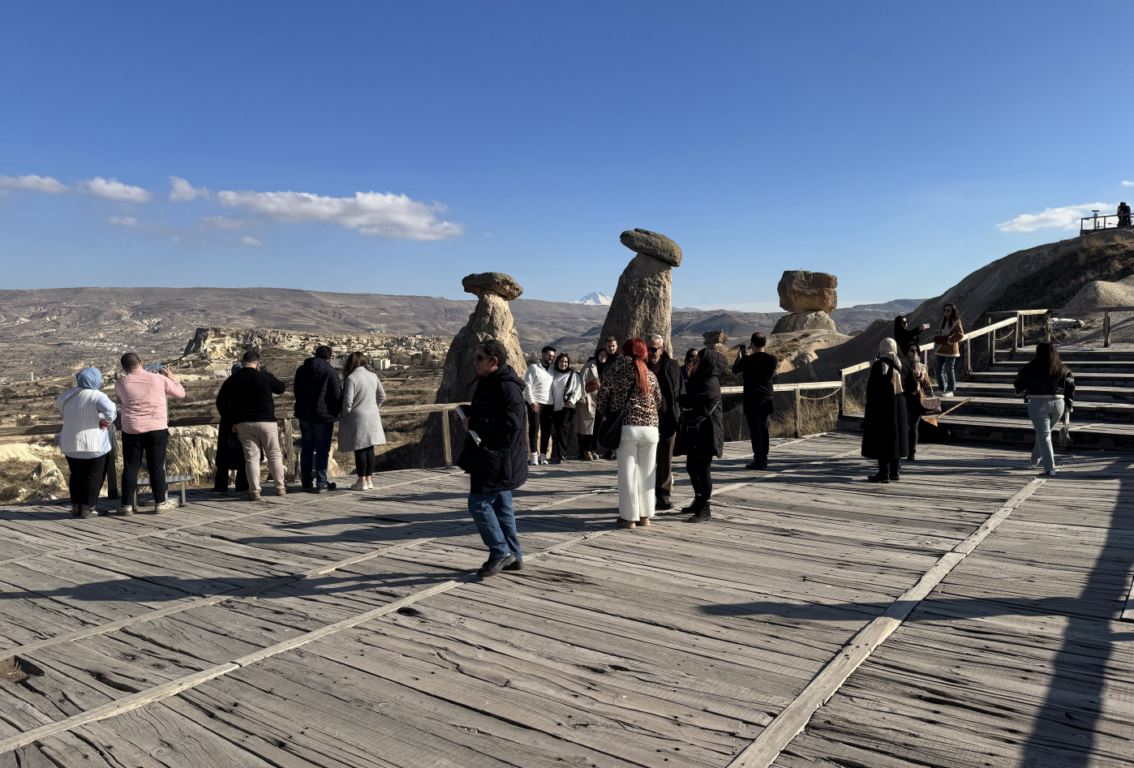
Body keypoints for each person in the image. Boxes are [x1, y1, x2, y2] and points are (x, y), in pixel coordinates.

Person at [458, 339, 528, 577]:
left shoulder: (506, 387)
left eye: (479, 358)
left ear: (493, 361)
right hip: (493, 455)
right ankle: (515, 555)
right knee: (501, 505)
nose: (474, 363)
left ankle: (500, 551)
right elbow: (493, 413)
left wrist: (475, 422)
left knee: (478, 503)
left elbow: (512, 423)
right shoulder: (492, 382)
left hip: (497, 457)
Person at [597, 338, 662, 528]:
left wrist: (609, 415)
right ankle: (645, 516)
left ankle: (628, 517)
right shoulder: (650, 374)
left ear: (624, 352)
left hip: (627, 428)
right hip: (651, 429)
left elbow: (602, 398)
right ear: (644, 353)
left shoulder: (616, 371)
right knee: (647, 473)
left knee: (628, 474)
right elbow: (658, 400)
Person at [115, 352, 186, 514]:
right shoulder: (159, 379)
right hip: (156, 428)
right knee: (156, 467)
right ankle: (160, 502)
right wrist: (173, 378)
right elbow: (181, 394)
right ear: (141, 362)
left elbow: (121, 400)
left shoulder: (121, 383)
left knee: (130, 467)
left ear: (124, 368)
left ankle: (126, 505)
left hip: (131, 429)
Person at [217, 350, 287, 501]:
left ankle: (254, 490)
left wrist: (232, 420)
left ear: (243, 363)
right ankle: (280, 487)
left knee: (251, 458)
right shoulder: (264, 377)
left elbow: (221, 403)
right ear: (258, 364)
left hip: (244, 423)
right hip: (267, 421)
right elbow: (281, 388)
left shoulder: (233, 379)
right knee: (274, 454)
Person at [675, 343, 726, 522]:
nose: (694, 362)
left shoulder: (709, 381)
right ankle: (698, 500)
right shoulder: (702, 377)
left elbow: (695, 399)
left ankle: (705, 507)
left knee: (703, 469)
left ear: (706, 363)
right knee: (691, 466)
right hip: (698, 429)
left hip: (708, 431)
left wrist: (681, 398)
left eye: (697, 360)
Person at [58, 367, 116, 518]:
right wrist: (104, 421)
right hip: (93, 444)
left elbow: (61, 409)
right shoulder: (97, 395)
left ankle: (76, 506)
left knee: (76, 475)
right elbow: (111, 411)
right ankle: (87, 508)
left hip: (70, 443)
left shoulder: (67, 395)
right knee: (94, 476)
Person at [1014, 342, 1075, 477]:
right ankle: (1035, 459)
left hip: (1038, 402)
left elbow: (1018, 386)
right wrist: (1069, 406)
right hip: (1059, 403)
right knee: (1044, 434)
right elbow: (1070, 388)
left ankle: (1049, 468)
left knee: (1044, 434)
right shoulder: (1063, 368)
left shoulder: (1029, 368)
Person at [294, 345, 343, 493]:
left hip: (304, 415)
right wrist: (335, 411)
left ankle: (306, 481)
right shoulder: (330, 371)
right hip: (323, 416)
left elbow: (296, 390)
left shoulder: (302, 370)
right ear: (329, 357)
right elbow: (337, 395)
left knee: (307, 449)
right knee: (322, 450)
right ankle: (321, 482)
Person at [862, 338, 909, 484]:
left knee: (882, 438)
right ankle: (895, 472)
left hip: (883, 407)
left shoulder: (879, 365)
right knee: (896, 437)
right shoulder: (900, 365)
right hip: (899, 404)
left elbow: (872, 390)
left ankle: (884, 473)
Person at [339, 352, 387, 491]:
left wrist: (343, 414)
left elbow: (348, 401)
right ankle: (369, 479)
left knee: (359, 448)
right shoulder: (373, 376)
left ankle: (361, 481)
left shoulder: (351, 378)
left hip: (356, 417)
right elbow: (382, 395)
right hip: (372, 415)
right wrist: (374, 407)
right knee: (370, 448)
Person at [646, 334, 682, 510]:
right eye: (648, 349)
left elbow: (678, 391)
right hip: (646, 419)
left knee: (665, 458)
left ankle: (664, 495)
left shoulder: (672, 365)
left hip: (668, 419)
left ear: (661, 349)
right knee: (647, 458)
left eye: (654, 349)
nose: (651, 352)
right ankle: (646, 495)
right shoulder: (641, 366)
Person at [732, 332, 777, 470]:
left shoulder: (747, 360)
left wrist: (740, 357)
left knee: (755, 430)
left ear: (752, 344)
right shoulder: (772, 359)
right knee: (764, 429)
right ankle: (764, 458)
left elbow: (735, 370)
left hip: (752, 399)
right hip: (766, 398)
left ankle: (758, 460)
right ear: (765, 343)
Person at [212, 362, 249, 494]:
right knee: (242, 456)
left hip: (227, 423)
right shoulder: (246, 385)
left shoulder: (228, 383)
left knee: (223, 458)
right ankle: (242, 486)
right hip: (242, 423)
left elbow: (220, 402)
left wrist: (228, 418)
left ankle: (220, 486)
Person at [523, 345, 555, 465]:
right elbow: (527, 385)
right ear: (543, 354)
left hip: (549, 404)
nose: (551, 358)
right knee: (534, 429)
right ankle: (534, 456)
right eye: (549, 355)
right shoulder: (533, 368)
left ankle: (543, 456)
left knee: (546, 431)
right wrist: (531, 401)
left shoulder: (553, 370)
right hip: (535, 403)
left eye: (553, 356)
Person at [901, 341, 932, 461]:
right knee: (903, 425)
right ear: (907, 352)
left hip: (916, 398)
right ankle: (902, 449)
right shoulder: (901, 365)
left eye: (916, 351)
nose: (915, 353)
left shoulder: (922, 366)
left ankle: (912, 452)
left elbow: (928, 383)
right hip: (903, 397)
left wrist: (922, 377)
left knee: (914, 426)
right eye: (912, 350)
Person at [576, 347, 606, 460]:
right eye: (601, 355)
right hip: (589, 400)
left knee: (597, 427)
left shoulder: (607, 367)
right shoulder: (590, 365)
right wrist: (583, 397)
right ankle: (586, 450)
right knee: (588, 427)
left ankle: (593, 449)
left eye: (605, 355)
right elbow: (581, 381)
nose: (603, 357)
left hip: (601, 402)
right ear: (597, 355)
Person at [548, 353, 580, 464]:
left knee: (563, 431)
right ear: (557, 362)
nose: (564, 364)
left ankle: (561, 454)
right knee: (556, 431)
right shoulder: (554, 373)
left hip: (567, 406)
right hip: (555, 407)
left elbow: (578, 389)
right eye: (561, 361)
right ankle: (557, 454)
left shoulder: (573, 374)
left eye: (566, 362)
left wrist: (571, 401)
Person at [933, 303, 964, 397]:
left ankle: (951, 390)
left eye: (948, 310)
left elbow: (960, 335)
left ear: (952, 311)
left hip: (950, 350)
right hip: (940, 348)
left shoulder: (956, 321)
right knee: (938, 369)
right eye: (945, 310)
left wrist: (950, 340)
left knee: (949, 370)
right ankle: (941, 388)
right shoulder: (943, 320)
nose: (946, 312)